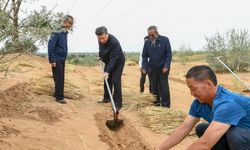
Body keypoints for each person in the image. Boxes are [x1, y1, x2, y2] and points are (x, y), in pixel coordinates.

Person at [158, 65, 250, 150]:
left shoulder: (227, 104)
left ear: (208, 84)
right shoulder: (199, 103)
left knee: (235, 135)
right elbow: (184, 128)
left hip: (242, 135)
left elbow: (205, 143)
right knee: (201, 128)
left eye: (193, 88)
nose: (191, 93)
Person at [95, 26, 125, 111]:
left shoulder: (114, 42)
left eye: (103, 38)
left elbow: (114, 59)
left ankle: (118, 104)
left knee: (116, 80)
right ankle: (107, 98)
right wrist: (100, 56)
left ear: (107, 34)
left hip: (118, 62)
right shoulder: (100, 39)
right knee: (107, 80)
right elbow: (101, 49)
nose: (101, 40)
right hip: (109, 61)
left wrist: (107, 71)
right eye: (99, 38)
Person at [142, 25, 172, 107]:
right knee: (153, 88)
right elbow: (144, 56)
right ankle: (156, 105)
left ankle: (166, 107)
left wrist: (166, 65)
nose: (150, 37)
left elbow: (168, 55)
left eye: (152, 35)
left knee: (164, 88)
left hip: (163, 68)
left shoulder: (165, 40)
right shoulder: (147, 42)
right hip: (152, 69)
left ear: (156, 32)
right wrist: (144, 67)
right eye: (149, 35)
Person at [48, 15, 74, 104]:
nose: (70, 25)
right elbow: (50, 46)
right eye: (69, 23)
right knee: (59, 78)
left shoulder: (64, 33)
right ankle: (59, 98)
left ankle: (57, 94)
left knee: (59, 78)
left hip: (62, 59)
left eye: (71, 24)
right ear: (64, 22)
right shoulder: (56, 32)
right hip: (57, 59)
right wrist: (52, 60)